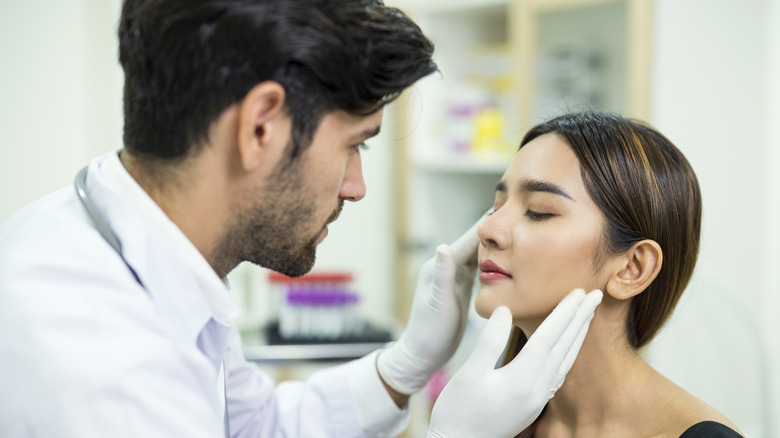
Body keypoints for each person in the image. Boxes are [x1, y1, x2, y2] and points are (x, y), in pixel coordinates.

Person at [0, 1, 603, 437]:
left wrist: (405, 366)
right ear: (261, 127)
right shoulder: (100, 375)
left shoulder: (129, 250)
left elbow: (257, 428)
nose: (358, 187)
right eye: (354, 146)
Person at [472, 112, 743, 437]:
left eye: (537, 212)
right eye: (496, 206)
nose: (487, 229)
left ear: (633, 268)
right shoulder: (492, 421)